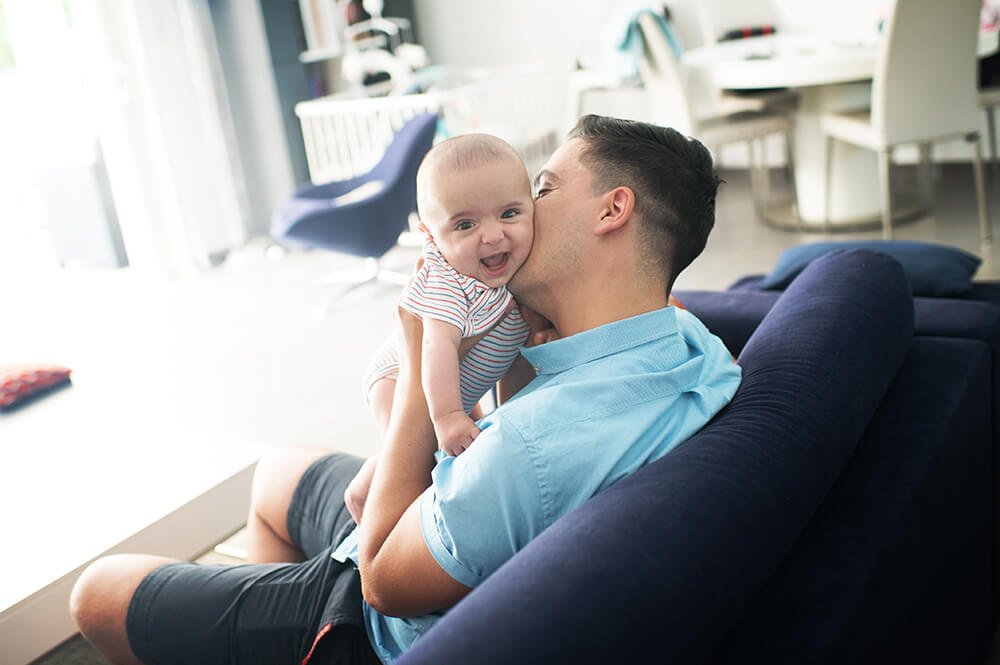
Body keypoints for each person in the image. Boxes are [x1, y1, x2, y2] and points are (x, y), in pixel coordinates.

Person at [68, 114, 742, 665]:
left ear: (612, 209)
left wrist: (424, 362)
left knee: (96, 591)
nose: (519, 214)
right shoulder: (691, 347)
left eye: (541, 189)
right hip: (448, 515)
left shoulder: (532, 446)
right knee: (275, 472)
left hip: (379, 617)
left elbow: (383, 580)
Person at [346, 134, 536, 525]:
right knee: (414, 458)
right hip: (399, 376)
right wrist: (449, 415)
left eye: (509, 214)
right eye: (466, 224)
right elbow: (435, 346)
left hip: (457, 385)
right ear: (431, 237)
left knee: (470, 442)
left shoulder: (523, 261)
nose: (493, 235)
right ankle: (367, 491)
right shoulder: (447, 279)